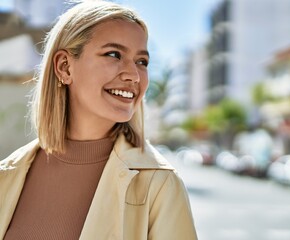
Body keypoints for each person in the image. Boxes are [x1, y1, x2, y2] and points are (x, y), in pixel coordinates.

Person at [0, 1, 198, 239]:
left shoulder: (160, 184)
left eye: (142, 61)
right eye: (114, 54)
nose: (134, 75)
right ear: (64, 67)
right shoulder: (6, 175)